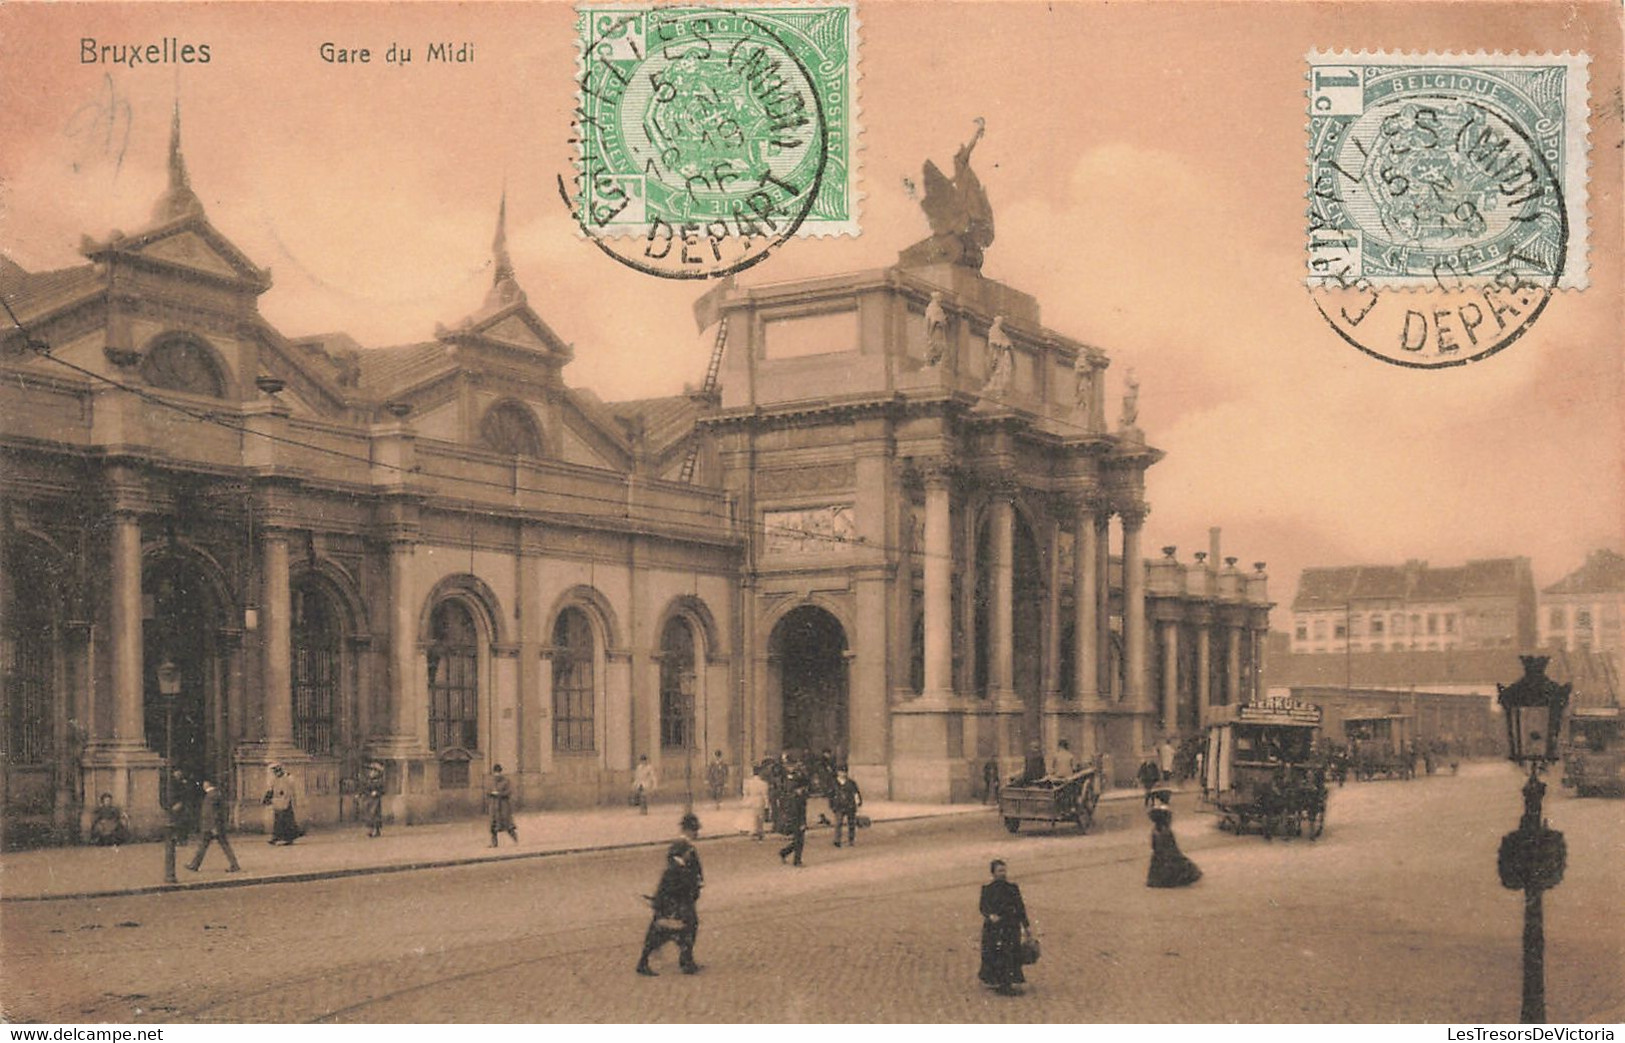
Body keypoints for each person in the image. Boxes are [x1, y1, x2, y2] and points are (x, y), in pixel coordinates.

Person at [636, 812, 704, 976]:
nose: (697, 833)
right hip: (676, 895)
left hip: (676, 895)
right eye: (694, 830)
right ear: (688, 830)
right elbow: (676, 872)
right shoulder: (681, 847)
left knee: (674, 927)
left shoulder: (683, 846)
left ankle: (685, 960)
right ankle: (682, 962)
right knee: (680, 926)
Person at [978, 859, 1031, 995]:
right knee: (994, 952)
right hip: (994, 927)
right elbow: (983, 906)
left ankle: (1008, 982)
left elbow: (1020, 907)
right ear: (993, 873)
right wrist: (990, 915)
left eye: (1004, 870)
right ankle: (997, 981)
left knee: (1010, 953)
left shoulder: (1012, 888)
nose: (1003, 873)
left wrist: (1026, 926)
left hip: (1011, 925)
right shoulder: (987, 889)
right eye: (1000, 871)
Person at [185, 779, 241, 873]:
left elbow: (212, 813)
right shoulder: (214, 794)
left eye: (204, 783)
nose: (203, 785)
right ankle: (195, 864)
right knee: (208, 845)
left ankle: (195, 865)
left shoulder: (211, 795)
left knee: (211, 845)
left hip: (212, 826)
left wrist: (213, 827)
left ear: (208, 784)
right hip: (213, 826)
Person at [1146, 805, 1201, 887]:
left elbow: (1154, 846)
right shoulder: (1166, 832)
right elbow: (1171, 846)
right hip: (1168, 855)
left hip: (1160, 856)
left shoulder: (1156, 831)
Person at [777, 765, 809, 867]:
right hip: (796, 821)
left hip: (794, 820)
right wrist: (802, 823)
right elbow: (799, 812)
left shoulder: (794, 796)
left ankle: (784, 852)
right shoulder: (797, 798)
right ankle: (796, 861)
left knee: (797, 841)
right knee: (799, 841)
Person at [266, 762, 303, 845]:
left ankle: (288, 838)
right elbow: (271, 789)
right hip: (278, 801)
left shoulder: (288, 778)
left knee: (286, 820)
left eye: (277, 770)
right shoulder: (274, 779)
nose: (276, 772)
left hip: (286, 800)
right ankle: (276, 837)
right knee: (278, 820)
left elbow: (292, 790)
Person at [830, 768, 863, 847]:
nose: (843, 774)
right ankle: (837, 840)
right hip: (839, 806)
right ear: (838, 773)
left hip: (850, 805)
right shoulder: (834, 783)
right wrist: (832, 805)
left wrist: (858, 802)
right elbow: (831, 795)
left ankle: (851, 840)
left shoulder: (851, 783)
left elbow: (856, 793)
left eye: (844, 772)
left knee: (851, 823)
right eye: (841, 772)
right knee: (838, 823)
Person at [487, 764, 518, 846]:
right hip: (494, 805)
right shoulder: (491, 781)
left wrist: (500, 794)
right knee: (493, 825)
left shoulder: (506, 781)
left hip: (503, 805)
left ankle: (516, 840)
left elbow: (509, 792)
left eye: (498, 772)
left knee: (507, 824)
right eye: (495, 772)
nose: (497, 774)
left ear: (501, 772)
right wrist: (491, 793)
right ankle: (494, 843)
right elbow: (488, 791)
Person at [742, 765, 771, 840]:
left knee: (753, 816)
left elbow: (746, 793)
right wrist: (767, 805)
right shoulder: (763, 783)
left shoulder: (749, 783)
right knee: (760, 817)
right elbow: (765, 795)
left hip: (752, 799)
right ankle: (760, 831)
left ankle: (753, 830)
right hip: (760, 800)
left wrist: (745, 801)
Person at [361, 761, 386, 838]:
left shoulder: (379, 781)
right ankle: (371, 830)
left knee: (374, 815)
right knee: (369, 815)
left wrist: (377, 792)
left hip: (375, 800)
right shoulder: (368, 780)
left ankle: (375, 830)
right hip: (368, 799)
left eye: (374, 770)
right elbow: (365, 788)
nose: (372, 772)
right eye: (371, 770)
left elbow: (382, 790)